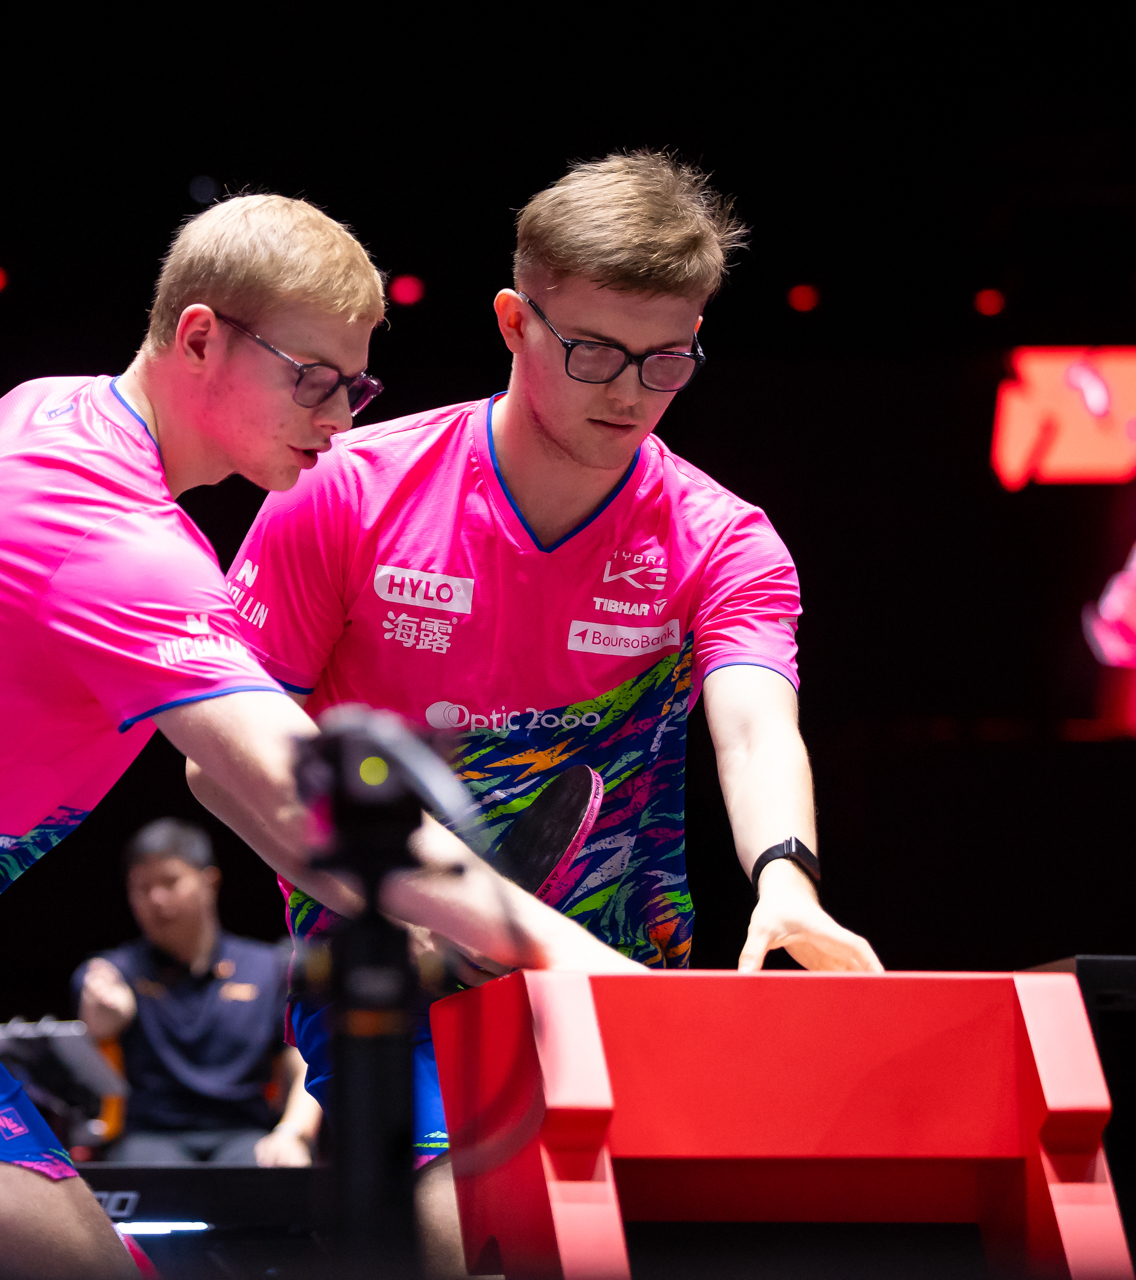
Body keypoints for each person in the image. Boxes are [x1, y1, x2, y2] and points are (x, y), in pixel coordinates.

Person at [0, 194, 642, 1278]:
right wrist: (592, 963)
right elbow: (293, 782)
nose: (339, 420)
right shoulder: (122, 544)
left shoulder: (35, 411)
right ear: (201, 335)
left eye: (355, 386)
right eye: (311, 379)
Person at [191, 153, 885, 1276]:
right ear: (515, 320)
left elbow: (754, 722)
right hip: (395, 974)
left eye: (669, 358)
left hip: (624, 978)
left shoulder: (722, 538)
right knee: (477, 1230)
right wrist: (378, 897)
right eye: (595, 350)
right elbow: (221, 764)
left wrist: (787, 876)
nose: (632, 390)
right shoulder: (343, 491)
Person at [75, 818, 319, 1167]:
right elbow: (96, 1019)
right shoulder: (116, 971)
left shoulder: (269, 967)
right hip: (151, 1138)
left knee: (279, 1175)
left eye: (170, 881)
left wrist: (294, 1132)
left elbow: (307, 1057)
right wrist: (107, 1012)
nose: (156, 899)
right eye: (141, 888)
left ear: (210, 882)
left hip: (245, 1135)